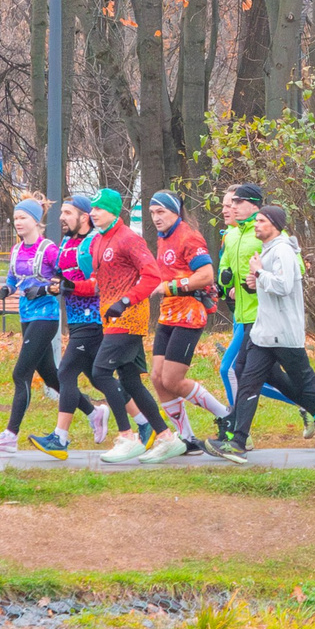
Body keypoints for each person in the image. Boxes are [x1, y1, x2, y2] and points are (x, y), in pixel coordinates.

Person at [208, 205, 315, 462]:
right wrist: (256, 284)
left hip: (283, 333)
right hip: (264, 333)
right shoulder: (268, 250)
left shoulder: (283, 251)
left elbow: (284, 285)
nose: (256, 225)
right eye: (256, 221)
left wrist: (258, 272)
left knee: (307, 385)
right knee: (247, 380)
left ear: (275, 225)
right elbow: (272, 287)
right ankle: (237, 441)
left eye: (261, 221)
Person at [0, 198, 95, 453]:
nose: (18, 223)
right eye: (15, 219)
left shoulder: (49, 249)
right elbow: (14, 277)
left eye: (23, 218)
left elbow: (64, 278)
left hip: (46, 317)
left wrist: (44, 288)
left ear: (36, 220)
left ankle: (10, 435)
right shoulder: (16, 250)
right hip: (26, 316)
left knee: (20, 373)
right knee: (51, 377)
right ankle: (93, 410)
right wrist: (7, 288)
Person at [85, 190, 186, 463]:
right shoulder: (99, 241)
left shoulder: (129, 238)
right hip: (112, 320)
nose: (93, 213)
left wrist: (126, 301)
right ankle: (167, 438)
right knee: (130, 381)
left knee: (100, 372)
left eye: (99, 208)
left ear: (114, 211)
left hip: (129, 319)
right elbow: (100, 282)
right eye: (92, 208)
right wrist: (70, 287)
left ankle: (127, 436)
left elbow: (152, 275)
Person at [30, 194, 116, 460]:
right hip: (76, 320)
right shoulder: (67, 241)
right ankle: (145, 423)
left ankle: (60, 438)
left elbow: (99, 284)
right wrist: (50, 285)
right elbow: (60, 275)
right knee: (97, 377)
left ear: (84, 216)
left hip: (93, 320)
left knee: (65, 372)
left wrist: (70, 286)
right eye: (62, 212)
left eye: (68, 213)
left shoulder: (92, 244)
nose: (61, 217)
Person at [143, 190, 229, 450]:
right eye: (152, 213)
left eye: (161, 212)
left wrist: (170, 287)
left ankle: (226, 416)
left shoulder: (188, 236)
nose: (156, 218)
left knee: (172, 380)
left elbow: (206, 275)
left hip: (189, 315)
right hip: (168, 314)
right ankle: (187, 438)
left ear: (175, 212)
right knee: (157, 377)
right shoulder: (162, 237)